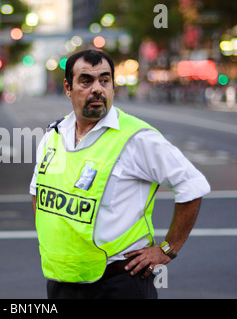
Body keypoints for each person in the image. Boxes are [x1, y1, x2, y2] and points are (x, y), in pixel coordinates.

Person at [30, 49, 210, 299]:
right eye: (86, 81)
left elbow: (192, 185)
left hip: (118, 285)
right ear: (68, 87)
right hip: (62, 282)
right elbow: (38, 193)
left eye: (104, 80)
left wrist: (167, 250)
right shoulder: (54, 135)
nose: (97, 89)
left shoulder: (137, 138)